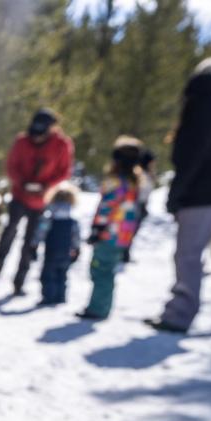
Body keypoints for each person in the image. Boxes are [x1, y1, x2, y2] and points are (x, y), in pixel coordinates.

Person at [147, 58, 211, 334]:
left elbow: (193, 153)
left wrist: (178, 192)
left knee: (188, 254)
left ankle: (180, 313)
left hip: (200, 195)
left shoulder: (202, 103)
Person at [0, 108, 75, 295]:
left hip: (42, 200)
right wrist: (22, 183)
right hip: (20, 195)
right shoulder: (22, 141)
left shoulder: (62, 145)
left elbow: (64, 172)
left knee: (31, 241)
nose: (36, 139)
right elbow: (11, 166)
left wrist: (46, 186)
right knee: (8, 234)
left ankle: (19, 282)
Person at [78, 137, 144, 320]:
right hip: (122, 235)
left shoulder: (115, 182)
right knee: (107, 271)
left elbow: (106, 207)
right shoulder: (134, 183)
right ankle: (102, 307)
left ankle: (98, 308)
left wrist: (97, 229)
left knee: (101, 270)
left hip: (109, 234)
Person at [33, 182, 80, 306]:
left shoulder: (49, 218)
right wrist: (77, 248)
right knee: (62, 275)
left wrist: (34, 244)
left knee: (48, 274)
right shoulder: (72, 221)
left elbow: (41, 232)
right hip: (66, 251)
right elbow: (76, 236)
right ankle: (60, 296)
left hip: (52, 250)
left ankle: (48, 297)